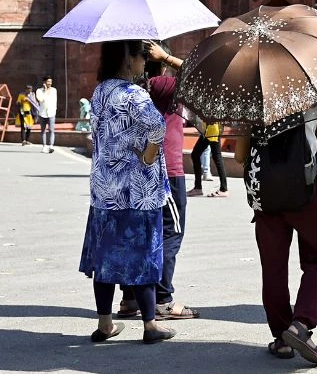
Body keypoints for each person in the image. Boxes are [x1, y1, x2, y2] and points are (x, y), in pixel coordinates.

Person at [78, 40, 175, 345]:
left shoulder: (100, 92)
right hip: (138, 192)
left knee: (105, 258)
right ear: (127, 58)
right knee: (144, 257)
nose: (144, 62)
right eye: (141, 56)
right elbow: (158, 127)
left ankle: (105, 324)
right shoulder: (135, 94)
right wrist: (148, 155)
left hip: (105, 190)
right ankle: (150, 325)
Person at [233, 100, 317, 364]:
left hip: (267, 193)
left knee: (273, 266)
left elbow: (239, 155)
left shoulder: (253, 95)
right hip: (307, 188)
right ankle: (301, 325)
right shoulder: (316, 94)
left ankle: (281, 338)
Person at [118, 45, 200, 322]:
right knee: (170, 233)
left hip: (133, 171)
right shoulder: (162, 85)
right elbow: (200, 75)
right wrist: (166, 56)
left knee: (138, 235)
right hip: (167, 173)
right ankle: (162, 299)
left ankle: (130, 298)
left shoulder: (126, 90)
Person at [189, 119, 228, 197]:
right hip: (209, 129)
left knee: (216, 157)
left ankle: (224, 189)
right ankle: (198, 187)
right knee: (196, 154)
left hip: (213, 129)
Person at [32, 76, 58, 153]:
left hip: (51, 112)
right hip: (42, 113)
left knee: (51, 130)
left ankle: (51, 146)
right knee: (43, 130)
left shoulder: (54, 90)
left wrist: (54, 109)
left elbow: (54, 100)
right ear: (44, 82)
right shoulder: (39, 91)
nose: (49, 83)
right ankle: (44, 146)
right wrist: (45, 90)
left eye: (50, 82)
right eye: (48, 82)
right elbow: (41, 100)